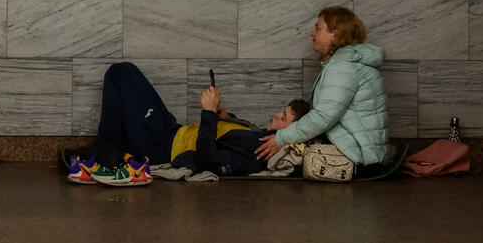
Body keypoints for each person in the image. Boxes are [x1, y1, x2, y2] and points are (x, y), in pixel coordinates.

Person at [65, 62, 311, 186]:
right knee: (124, 74)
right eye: (280, 112)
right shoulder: (259, 135)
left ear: (294, 131)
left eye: (283, 118)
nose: (275, 117)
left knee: (119, 74)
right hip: (172, 130)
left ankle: (104, 155)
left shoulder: (260, 149)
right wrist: (225, 116)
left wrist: (209, 113)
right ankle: (107, 151)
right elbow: (224, 137)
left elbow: (208, 159)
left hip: (162, 147)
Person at [255, 6, 388, 169]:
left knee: (278, 152)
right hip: (362, 151)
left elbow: (323, 117)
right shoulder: (346, 63)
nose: (312, 33)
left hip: (356, 157)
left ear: (335, 33)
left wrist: (281, 139)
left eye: (318, 28)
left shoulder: (342, 67)